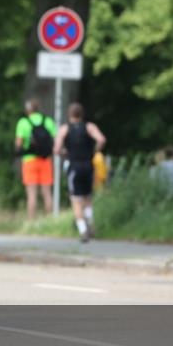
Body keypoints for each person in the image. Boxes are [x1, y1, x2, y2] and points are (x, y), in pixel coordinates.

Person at [54, 103, 107, 242]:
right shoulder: (89, 127)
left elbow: (56, 149)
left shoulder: (65, 129)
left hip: (74, 166)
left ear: (69, 114)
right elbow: (101, 139)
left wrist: (65, 153)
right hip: (88, 165)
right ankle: (90, 222)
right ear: (82, 114)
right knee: (87, 197)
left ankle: (83, 230)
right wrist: (95, 151)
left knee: (76, 200)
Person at [15, 99, 57, 220]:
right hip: (45, 160)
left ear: (27, 110)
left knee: (32, 194)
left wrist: (19, 150)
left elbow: (19, 143)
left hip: (29, 161)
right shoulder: (48, 121)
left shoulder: (23, 122)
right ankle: (50, 222)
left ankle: (31, 222)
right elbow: (55, 140)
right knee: (47, 193)